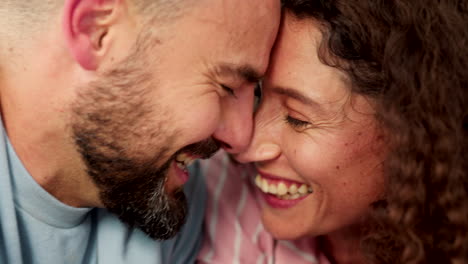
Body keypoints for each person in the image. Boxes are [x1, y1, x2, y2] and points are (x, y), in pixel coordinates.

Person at [0, 0, 281, 263]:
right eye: (227, 86)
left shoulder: (164, 188)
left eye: (254, 93)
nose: (241, 139)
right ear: (96, 32)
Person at [198, 0, 468, 263]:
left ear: (413, 132)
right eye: (257, 95)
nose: (246, 147)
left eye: (297, 119)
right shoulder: (220, 191)